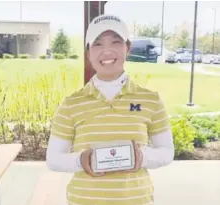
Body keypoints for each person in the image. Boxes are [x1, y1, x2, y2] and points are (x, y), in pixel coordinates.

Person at [46, 14, 174, 205]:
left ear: (127, 48)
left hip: (136, 200)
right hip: (83, 200)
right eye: (97, 44)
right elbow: (53, 159)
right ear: (88, 52)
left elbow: (166, 151)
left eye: (115, 42)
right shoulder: (71, 104)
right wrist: (81, 160)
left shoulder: (150, 100)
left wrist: (143, 156)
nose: (107, 51)